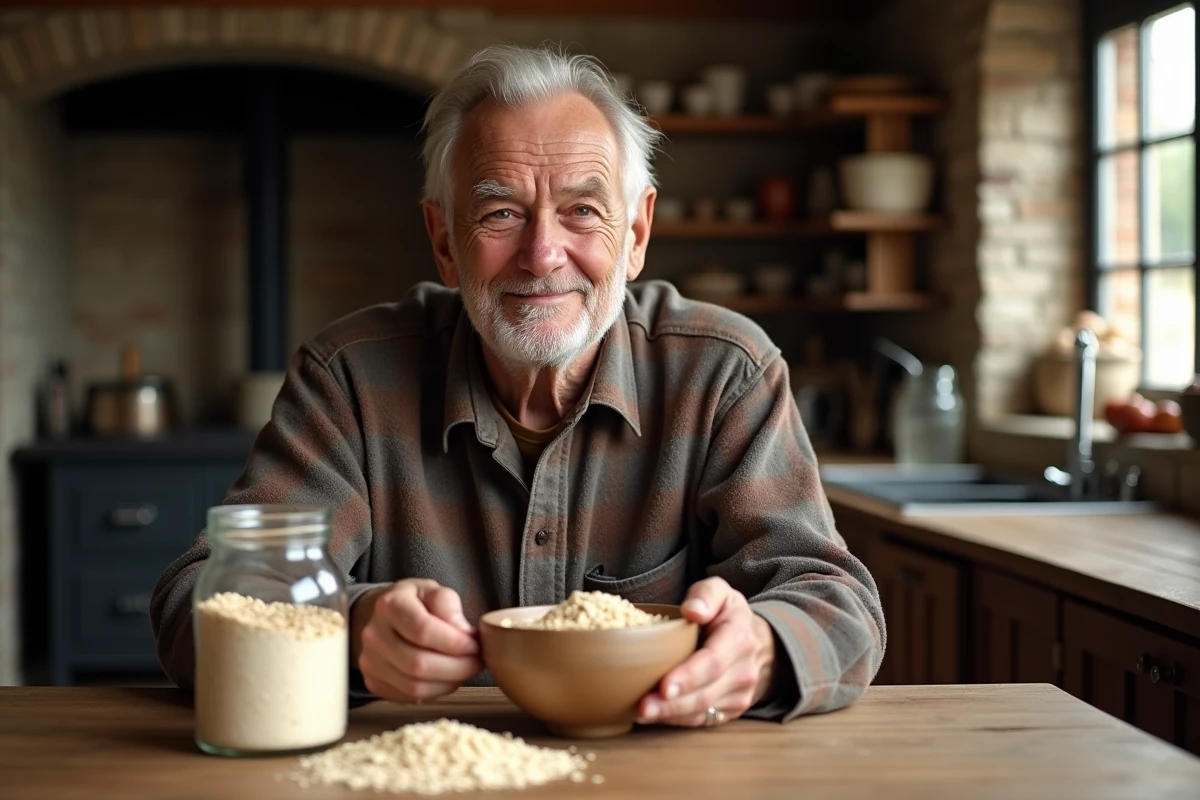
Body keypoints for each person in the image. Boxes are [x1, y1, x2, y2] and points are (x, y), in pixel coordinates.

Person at [151, 43, 885, 728]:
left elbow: (836, 602)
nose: (541, 253)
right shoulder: (349, 378)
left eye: (582, 211)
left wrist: (757, 649)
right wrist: (348, 631)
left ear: (635, 235)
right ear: (444, 240)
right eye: (500, 212)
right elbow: (197, 599)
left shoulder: (724, 372)